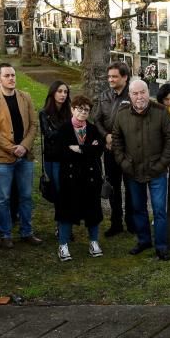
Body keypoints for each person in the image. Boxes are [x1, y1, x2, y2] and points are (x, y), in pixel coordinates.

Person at [111, 79, 170, 261]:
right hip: (133, 171)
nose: (139, 96)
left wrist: (162, 164)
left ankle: (161, 246)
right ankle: (143, 241)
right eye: (135, 93)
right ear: (130, 96)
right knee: (138, 208)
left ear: (147, 92)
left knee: (159, 210)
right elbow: (116, 141)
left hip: (157, 171)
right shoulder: (122, 114)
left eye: (142, 92)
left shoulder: (161, 112)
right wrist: (123, 163)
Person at [0, 63, 42, 249]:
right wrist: (12, 148)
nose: (11, 78)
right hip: (3, 158)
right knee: (3, 198)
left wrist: (24, 146)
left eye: (13, 75)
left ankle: (27, 232)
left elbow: (34, 125)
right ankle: (5, 234)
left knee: (26, 196)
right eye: (7, 75)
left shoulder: (25, 97)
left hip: (24, 156)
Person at [54, 95, 104, 262]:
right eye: (79, 109)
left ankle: (94, 242)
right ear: (72, 109)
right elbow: (61, 152)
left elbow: (98, 151)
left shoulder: (93, 129)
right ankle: (63, 245)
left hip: (90, 178)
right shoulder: (63, 129)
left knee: (93, 211)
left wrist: (79, 149)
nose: (83, 112)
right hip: (70, 178)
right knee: (66, 212)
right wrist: (88, 149)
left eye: (86, 110)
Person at [90, 62, 134, 236]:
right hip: (109, 150)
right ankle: (116, 223)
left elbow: (135, 123)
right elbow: (97, 120)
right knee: (113, 186)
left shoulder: (133, 95)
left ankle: (132, 223)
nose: (111, 79)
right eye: (109, 77)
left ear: (125, 77)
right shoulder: (105, 96)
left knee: (131, 188)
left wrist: (116, 139)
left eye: (114, 76)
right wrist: (106, 136)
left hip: (129, 150)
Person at [39, 80, 71, 199]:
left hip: (67, 155)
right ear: (53, 93)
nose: (63, 94)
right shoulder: (44, 113)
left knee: (64, 189)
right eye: (60, 91)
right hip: (52, 156)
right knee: (55, 189)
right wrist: (66, 132)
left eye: (65, 92)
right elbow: (48, 134)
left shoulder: (69, 112)